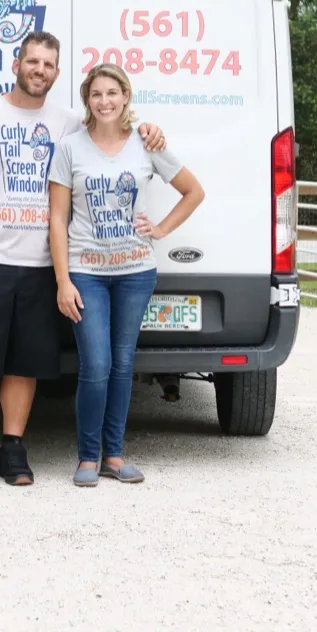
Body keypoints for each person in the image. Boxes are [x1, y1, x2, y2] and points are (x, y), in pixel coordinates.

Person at [0, 33, 166, 489]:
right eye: (32, 61)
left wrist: (147, 130)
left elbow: (108, 138)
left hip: (40, 265)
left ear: (57, 74)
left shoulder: (67, 125)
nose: (39, 69)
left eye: (48, 64)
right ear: (16, 63)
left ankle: (12, 449)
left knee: (23, 363)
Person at [49, 64, 205, 487]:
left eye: (112, 93)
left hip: (136, 272)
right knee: (95, 364)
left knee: (122, 365)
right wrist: (63, 280)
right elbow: (57, 219)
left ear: (125, 96)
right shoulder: (70, 149)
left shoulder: (146, 143)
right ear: (88, 99)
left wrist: (161, 229)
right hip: (87, 273)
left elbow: (194, 191)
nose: (104, 101)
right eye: (96, 94)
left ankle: (114, 456)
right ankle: (87, 456)